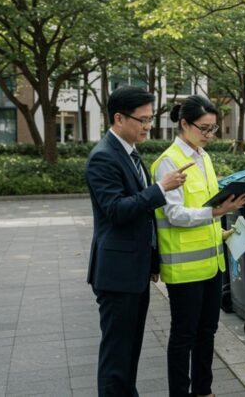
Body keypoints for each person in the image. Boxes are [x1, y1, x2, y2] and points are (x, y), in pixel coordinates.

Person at [85, 86, 190, 396]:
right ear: (119, 118)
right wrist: (161, 188)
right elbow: (116, 210)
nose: (148, 126)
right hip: (117, 274)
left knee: (129, 352)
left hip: (134, 270)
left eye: (150, 119)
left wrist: (152, 259)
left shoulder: (129, 153)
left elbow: (142, 217)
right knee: (117, 356)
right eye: (142, 120)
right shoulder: (103, 158)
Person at [151, 95, 245, 397]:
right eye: (203, 129)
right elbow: (175, 214)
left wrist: (221, 231)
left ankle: (204, 391)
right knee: (184, 336)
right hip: (184, 268)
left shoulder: (202, 157)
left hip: (211, 263)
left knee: (208, 332)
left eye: (213, 129)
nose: (208, 135)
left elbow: (206, 204)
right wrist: (215, 213)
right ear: (184, 124)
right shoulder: (168, 162)